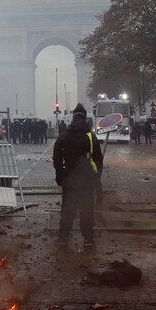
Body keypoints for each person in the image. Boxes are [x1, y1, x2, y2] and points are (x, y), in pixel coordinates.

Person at [53, 103, 103, 247]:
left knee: (68, 208)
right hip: (87, 180)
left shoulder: (64, 136)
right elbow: (98, 160)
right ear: (85, 118)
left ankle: (63, 237)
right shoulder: (90, 136)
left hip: (69, 179)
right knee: (87, 209)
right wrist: (96, 179)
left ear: (73, 118)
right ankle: (88, 238)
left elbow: (57, 158)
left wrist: (60, 176)